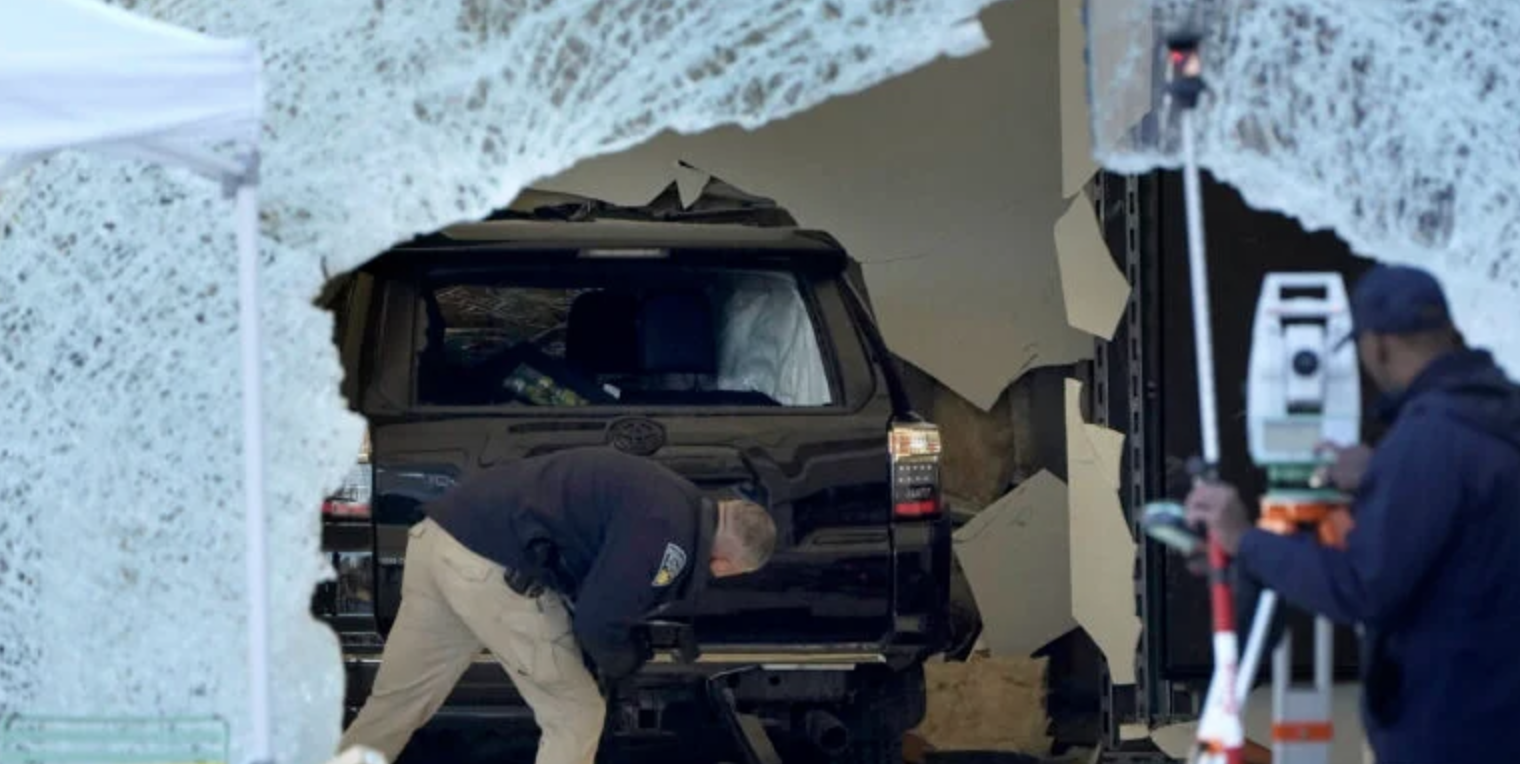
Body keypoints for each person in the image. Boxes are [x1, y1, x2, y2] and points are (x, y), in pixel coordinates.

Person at [1185, 264, 1520, 764]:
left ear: (1377, 346)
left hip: (1450, 727)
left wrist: (1244, 540)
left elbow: (1359, 587)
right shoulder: (1492, 416)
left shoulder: (1428, 440)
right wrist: (1385, 473)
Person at [336, 446, 779, 764]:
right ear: (723, 564)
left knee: (396, 704)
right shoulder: (671, 539)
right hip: (490, 571)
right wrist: (624, 659)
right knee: (576, 714)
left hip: (438, 540)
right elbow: (598, 619)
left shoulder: (673, 496)